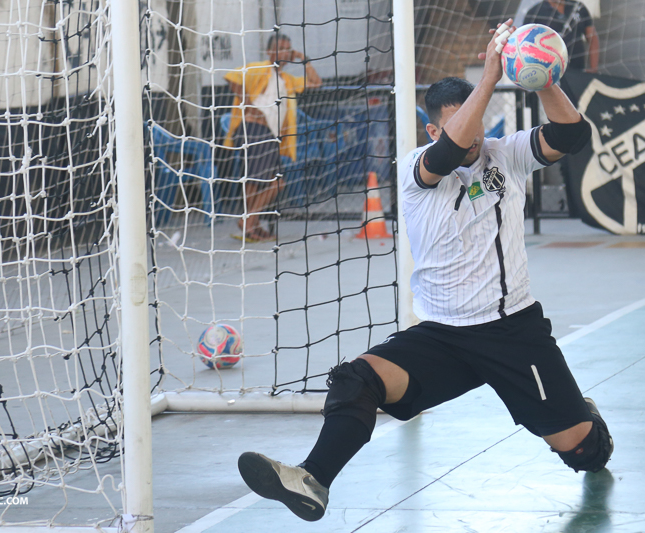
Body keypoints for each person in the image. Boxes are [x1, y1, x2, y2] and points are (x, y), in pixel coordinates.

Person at [236, 19, 613, 522]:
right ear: (432, 127)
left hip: (512, 331)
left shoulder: (507, 155)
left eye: (479, 126)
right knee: (357, 379)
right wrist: (489, 76)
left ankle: (584, 421)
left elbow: (572, 135)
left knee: (582, 453)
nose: (474, 137)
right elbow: (450, 152)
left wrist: (544, 79)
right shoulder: (418, 170)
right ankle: (313, 479)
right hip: (443, 337)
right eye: (461, 125)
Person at [223, 33, 322, 242]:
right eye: (280, 48)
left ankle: (252, 225)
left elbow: (316, 82)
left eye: (288, 49)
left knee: (254, 181)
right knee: (276, 182)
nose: (284, 53)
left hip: (268, 134)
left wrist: (303, 58)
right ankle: (248, 221)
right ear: (269, 51)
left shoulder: (286, 80)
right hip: (254, 128)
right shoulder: (261, 68)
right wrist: (249, 105)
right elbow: (232, 77)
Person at [524, 0, 599, 73]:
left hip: (578, 70)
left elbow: (593, 39)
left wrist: (593, 68)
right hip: (549, 72)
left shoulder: (578, 7)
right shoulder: (535, 12)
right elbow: (525, 45)